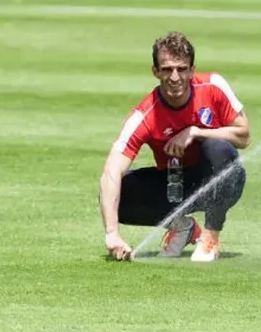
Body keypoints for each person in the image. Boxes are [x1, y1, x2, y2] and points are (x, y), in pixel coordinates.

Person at [98, 31, 251, 262]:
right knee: (117, 195)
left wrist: (196, 132)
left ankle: (210, 237)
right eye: (167, 69)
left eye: (182, 68)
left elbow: (244, 136)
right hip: (176, 184)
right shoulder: (144, 115)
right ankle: (182, 226)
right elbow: (111, 171)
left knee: (219, 148)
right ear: (156, 72)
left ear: (192, 70)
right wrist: (112, 234)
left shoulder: (213, 86)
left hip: (221, 179)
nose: (175, 77)